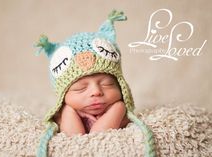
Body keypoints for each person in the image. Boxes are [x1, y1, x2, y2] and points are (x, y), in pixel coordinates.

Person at [36, 10, 155, 157]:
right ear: (63, 95)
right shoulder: (66, 112)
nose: (96, 91)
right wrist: (67, 110)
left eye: (107, 84)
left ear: (120, 85)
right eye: (80, 88)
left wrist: (119, 106)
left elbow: (98, 135)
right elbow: (75, 138)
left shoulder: (118, 109)